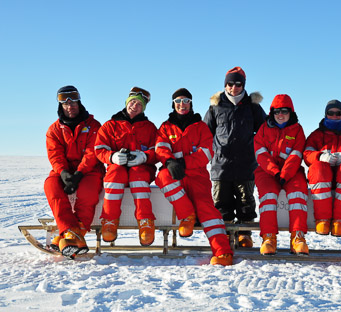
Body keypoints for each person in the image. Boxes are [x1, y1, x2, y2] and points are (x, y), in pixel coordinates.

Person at [155, 88, 233, 266]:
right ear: (173, 104)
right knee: (162, 176)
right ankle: (187, 215)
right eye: (178, 101)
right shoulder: (166, 127)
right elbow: (161, 148)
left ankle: (223, 252)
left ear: (191, 104)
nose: (182, 105)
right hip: (175, 174)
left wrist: (182, 162)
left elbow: (206, 153)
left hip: (197, 175)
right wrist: (169, 162)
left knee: (207, 210)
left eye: (186, 101)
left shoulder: (201, 127)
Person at [203, 66, 266, 248]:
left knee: (246, 202)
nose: (233, 87)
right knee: (222, 203)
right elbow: (205, 133)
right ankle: (226, 236)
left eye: (238, 84)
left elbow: (264, 131)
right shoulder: (216, 106)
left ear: (243, 85)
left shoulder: (253, 106)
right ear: (225, 85)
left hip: (246, 163)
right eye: (230, 84)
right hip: (220, 164)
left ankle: (244, 235)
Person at [44, 85, 104, 259]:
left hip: (89, 170)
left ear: (79, 102)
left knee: (87, 192)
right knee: (51, 186)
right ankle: (72, 234)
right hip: (65, 170)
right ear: (61, 106)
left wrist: (78, 174)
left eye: (74, 102)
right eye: (66, 103)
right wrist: (63, 173)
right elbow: (55, 154)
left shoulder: (93, 126)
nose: (71, 106)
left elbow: (93, 152)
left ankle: (66, 237)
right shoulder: (54, 129)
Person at [94, 87, 158, 246]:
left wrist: (144, 157)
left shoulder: (150, 128)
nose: (135, 106)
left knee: (138, 173)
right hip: (118, 170)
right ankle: (109, 220)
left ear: (143, 108)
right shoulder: (110, 125)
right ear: (127, 103)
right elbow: (99, 149)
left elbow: (158, 150)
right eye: (133, 102)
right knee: (115, 173)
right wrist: (112, 157)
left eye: (139, 104)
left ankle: (145, 222)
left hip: (142, 170)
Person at [254, 94, 309, 255]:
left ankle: (297, 237)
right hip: (267, 171)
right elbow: (260, 153)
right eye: (277, 111)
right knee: (268, 196)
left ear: (291, 112)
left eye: (284, 111)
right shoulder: (264, 129)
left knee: (298, 193)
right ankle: (268, 237)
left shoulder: (297, 130)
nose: (280, 114)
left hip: (292, 172)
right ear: (272, 112)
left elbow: (296, 154)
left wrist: (285, 174)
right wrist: (275, 172)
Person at [304, 100, 341, 237]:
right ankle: (322, 220)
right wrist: (320, 156)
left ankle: (340, 221)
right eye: (331, 113)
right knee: (317, 168)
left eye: (338, 113)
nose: (334, 116)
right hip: (323, 178)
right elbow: (306, 154)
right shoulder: (316, 135)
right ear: (325, 114)